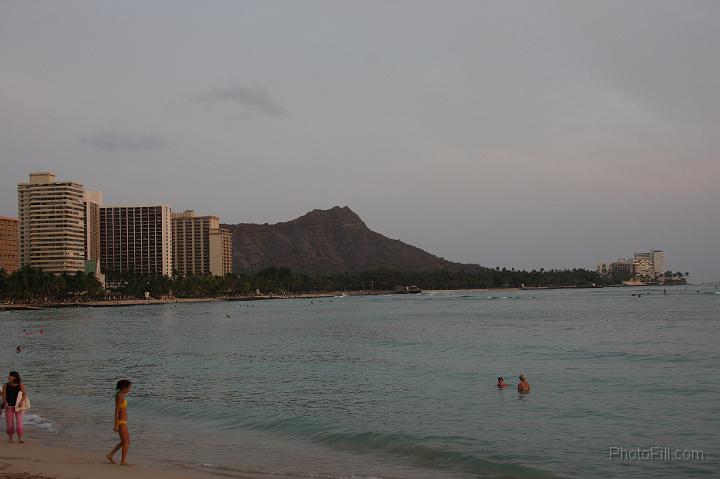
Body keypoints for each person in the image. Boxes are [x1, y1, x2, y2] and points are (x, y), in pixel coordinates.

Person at [106, 379, 132, 465]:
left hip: (123, 421)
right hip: (121, 422)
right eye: (129, 388)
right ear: (124, 387)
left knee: (125, 441)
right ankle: (123, 461)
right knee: (126, 442)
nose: (129, 389)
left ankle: (110, 455)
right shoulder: (120, 396)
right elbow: (116, 410)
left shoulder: (120, 395)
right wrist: (116, 424)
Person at [3, 371, 29, 443]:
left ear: (14, 377)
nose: (8, 377)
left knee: (19, 423)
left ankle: (20, 438)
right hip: (9, 406)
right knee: (9, 423)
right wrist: (5, 403)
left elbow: (24, 394)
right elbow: (4, 395)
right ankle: (10, 439)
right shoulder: (6, 385)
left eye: (10, 376)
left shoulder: (20, 385)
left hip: (18, 407)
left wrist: (21, 402)